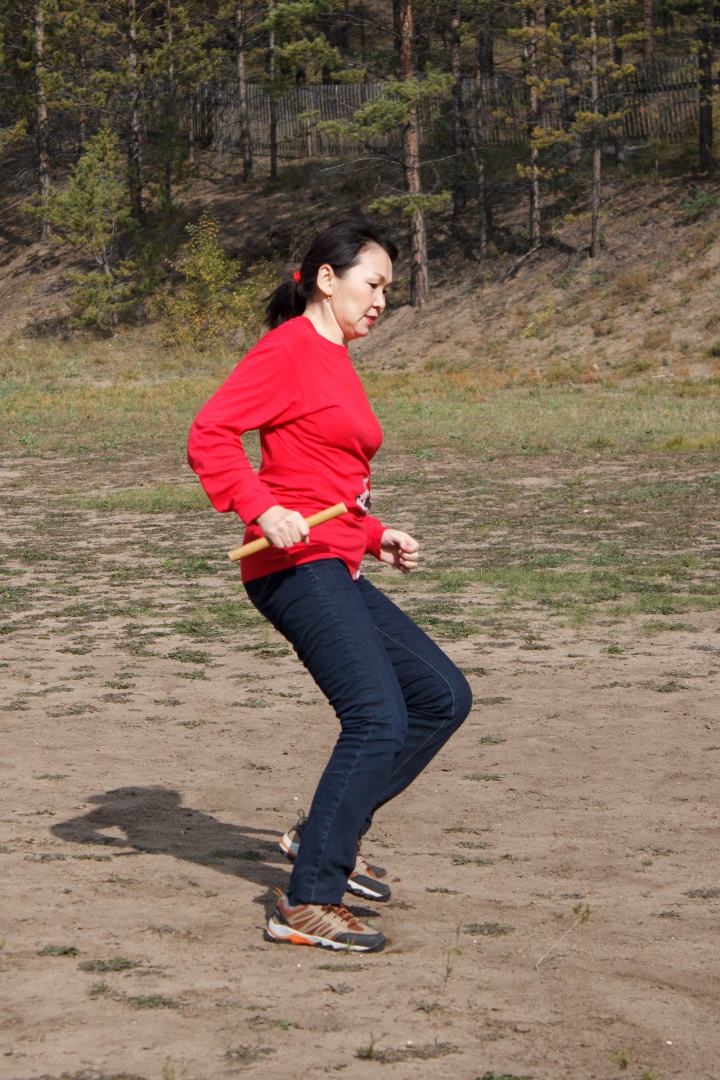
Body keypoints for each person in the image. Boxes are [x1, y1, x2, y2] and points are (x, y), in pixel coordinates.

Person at [187, 212, 472, 953]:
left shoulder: (335, 356)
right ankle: (309, 899)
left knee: (442, 697)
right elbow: (210, 432)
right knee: (377, 717)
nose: (381, 301)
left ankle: (323, 832)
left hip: (334, 557)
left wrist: (376, 535)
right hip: (291, 566)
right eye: (372, 284)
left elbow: (328, 475)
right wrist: (260, 507)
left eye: (388, 290)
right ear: (325, 279)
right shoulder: (288, 350)